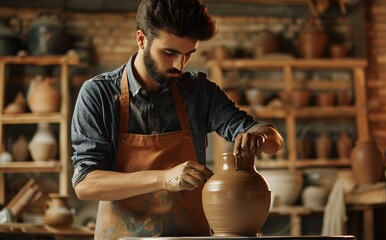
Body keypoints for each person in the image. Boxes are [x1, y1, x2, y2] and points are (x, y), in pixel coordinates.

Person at [71, 0, 283, 238]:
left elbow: (273, 140)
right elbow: (85, 184)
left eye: (188, 54)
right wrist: (163, 178)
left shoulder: (199, 92)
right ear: (141, 39)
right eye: (169, 52)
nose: (179, 65)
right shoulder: (98, 94)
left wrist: (259, 137)